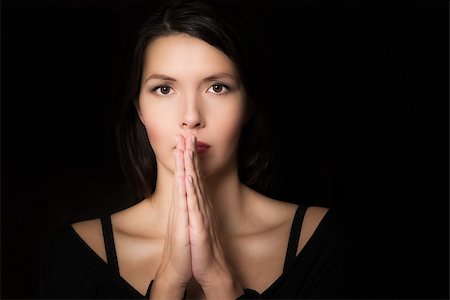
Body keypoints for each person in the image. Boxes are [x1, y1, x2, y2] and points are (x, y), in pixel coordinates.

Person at [39, 0, 361, 299]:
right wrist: (168, 285)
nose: (191, 117)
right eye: (164, 89)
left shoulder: (325, 242)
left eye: (217, 87)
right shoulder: (75, 256)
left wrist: (221, 282)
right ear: (139, 108)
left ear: (248, 104)